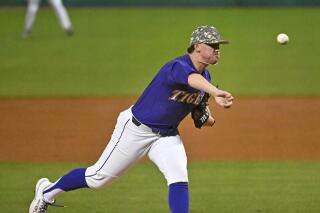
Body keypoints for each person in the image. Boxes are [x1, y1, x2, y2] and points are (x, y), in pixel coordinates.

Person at [29, 25, 234, 213]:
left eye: (219, 46)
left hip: (166, 136)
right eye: (213, 45)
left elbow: (201, 112)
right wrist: (215, 92)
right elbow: (191, 79)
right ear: (197, 46)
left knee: (178, 176)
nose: (218, 49)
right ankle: (47, 192)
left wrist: (208, 116)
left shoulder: (206, 77)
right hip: (136, 130)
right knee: (97, 178)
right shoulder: (178, 66)